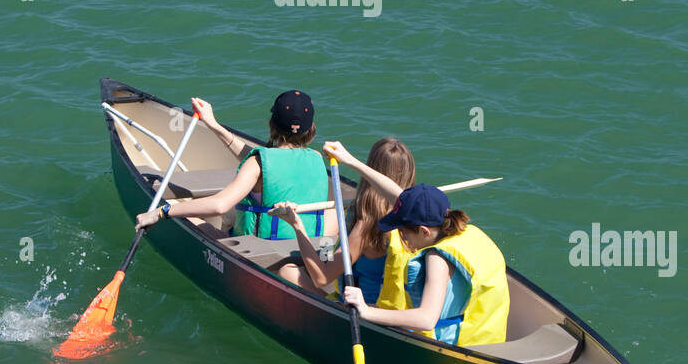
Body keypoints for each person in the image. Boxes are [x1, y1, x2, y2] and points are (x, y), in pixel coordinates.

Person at [135, 91, 337, 242]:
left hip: (263, 249)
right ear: (310, 129)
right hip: (304, 246)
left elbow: (219, 204)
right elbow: (269, 163)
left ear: (271, 124)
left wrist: (163, 211)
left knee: (190, 216)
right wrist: (213, 125)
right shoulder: (317, 158)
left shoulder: (257, 163)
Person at [337, 177, 510, 349]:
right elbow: (400, 198)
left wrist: (366, 311)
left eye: (403, 233)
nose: (402, 238)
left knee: (367, 309)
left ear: (424, 231)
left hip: (451, 348)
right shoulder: (470, 233)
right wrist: (352, 161)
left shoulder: (437, 259)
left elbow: (426, 320)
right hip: (489, 343)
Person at [273, 137, 416, 300]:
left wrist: (297, 225)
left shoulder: (366, 225)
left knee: (288, 271)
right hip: (399, 305)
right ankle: (327, 257)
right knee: (330, 230)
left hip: (364, 309)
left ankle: (324, 266)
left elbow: (321, 279)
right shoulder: (416, 217)